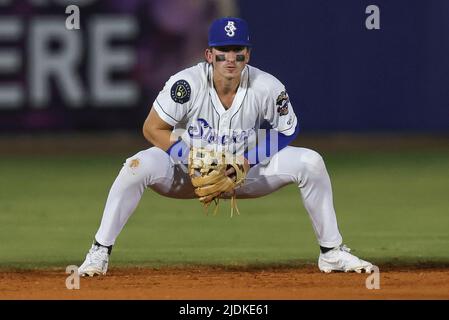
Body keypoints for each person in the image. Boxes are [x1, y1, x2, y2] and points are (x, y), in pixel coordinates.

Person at [78, 17, 373, 276]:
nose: (230, 59)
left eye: (237, 52)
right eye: (222, 53)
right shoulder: (186, 84)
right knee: (136, 166)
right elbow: (151, 128)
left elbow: (288, 129)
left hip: (244, 174)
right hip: (189, 173)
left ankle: (331, 253)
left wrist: (247, 160)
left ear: (248, 54)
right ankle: (99, 251)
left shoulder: (267, 87)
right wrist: (188, 155)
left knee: (311, 162)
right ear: (209, 54)